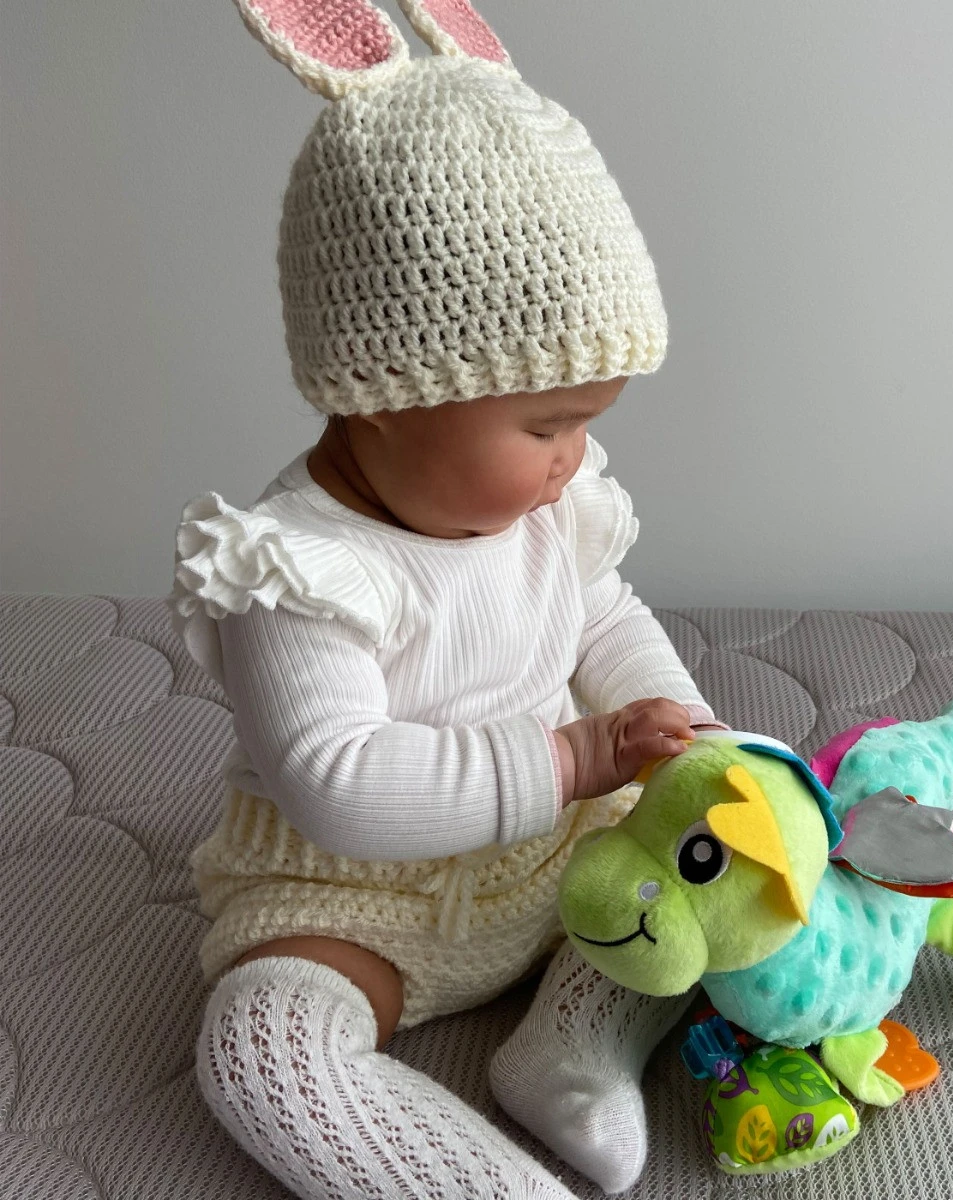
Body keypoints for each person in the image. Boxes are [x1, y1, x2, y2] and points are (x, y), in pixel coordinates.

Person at [172, 3, 723, 1198]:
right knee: (259, 1055)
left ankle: (573, 1046)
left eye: (588, 423)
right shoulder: (295, 567)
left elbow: (602, 617)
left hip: (559, 863)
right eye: (547, 425)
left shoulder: (546, 512)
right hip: (352, 902)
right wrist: (575, 757)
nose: (573, 461)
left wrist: (687, 734)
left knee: (708, 867)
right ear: (382, 392)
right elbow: (338, 780)